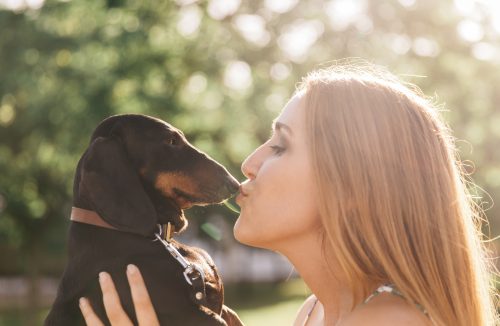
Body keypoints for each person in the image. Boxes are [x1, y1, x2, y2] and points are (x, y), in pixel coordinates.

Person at [78, 61, 498, 325]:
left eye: (280, 145)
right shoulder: (315, 313)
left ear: (351, 185)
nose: (248, 163)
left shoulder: (387, 321)